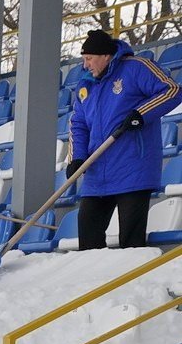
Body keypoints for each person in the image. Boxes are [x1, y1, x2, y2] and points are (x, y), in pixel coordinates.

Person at [68, 29, 181, 249]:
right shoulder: (85, 86)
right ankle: (92, 282)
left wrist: (141, 114)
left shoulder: (136, 68)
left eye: (89, 58)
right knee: (88, 238)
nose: (85, 65)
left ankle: (132, 283)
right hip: (97, 172)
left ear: (105, 56)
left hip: (133, 169)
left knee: (131, 243)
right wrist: (77, 158)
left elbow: (172, 90)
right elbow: (77, 124)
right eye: (83, 59)